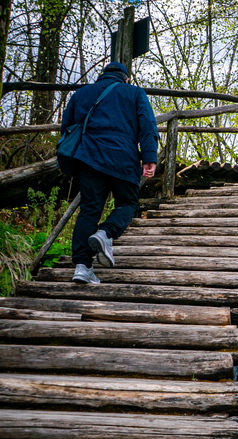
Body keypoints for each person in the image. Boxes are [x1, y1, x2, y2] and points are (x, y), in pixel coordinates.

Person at [60, 62, 158, 284]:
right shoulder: (134, 92)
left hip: (88, 158)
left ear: (102, 76)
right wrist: (149, 158)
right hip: (123, 158)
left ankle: (82, 267)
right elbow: (147, 126)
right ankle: (106, 233)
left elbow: (67, 128)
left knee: (90, 209)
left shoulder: (81, 94)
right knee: (127, 204)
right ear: (126, 79)